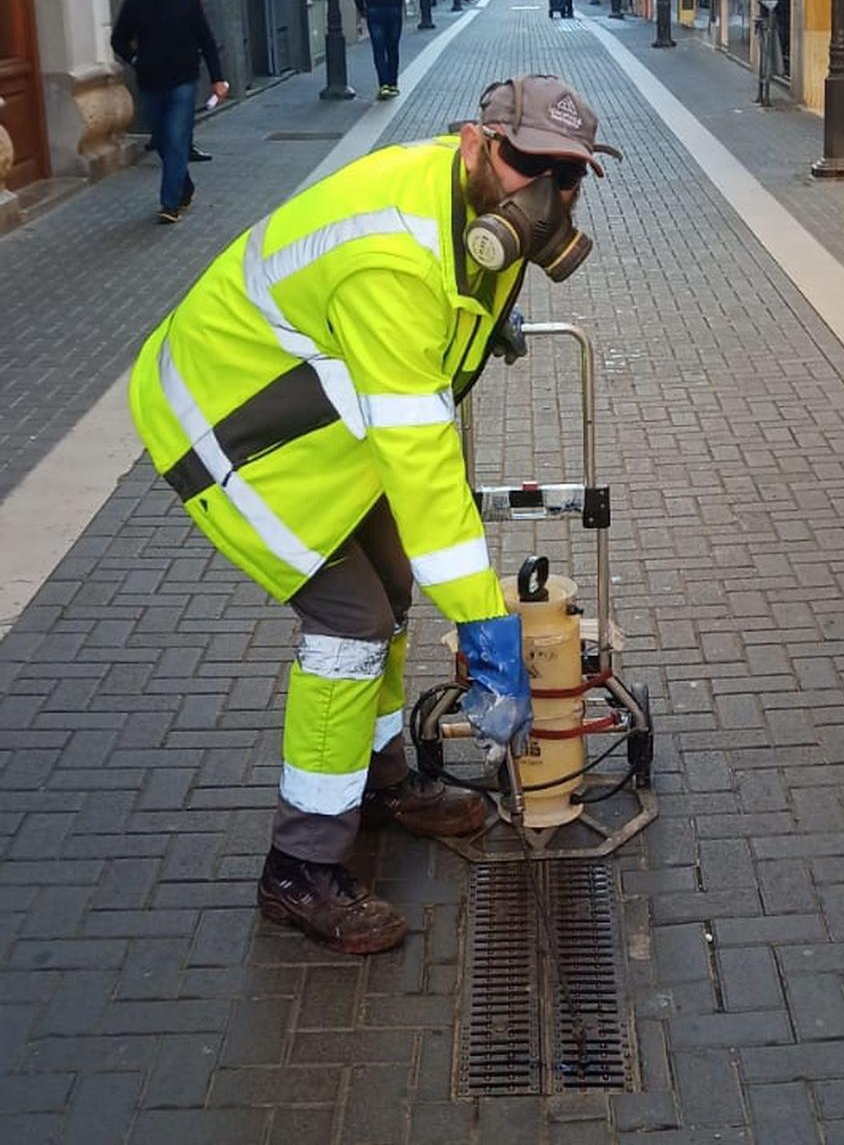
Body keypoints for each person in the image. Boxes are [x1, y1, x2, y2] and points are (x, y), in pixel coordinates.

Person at [127, 73, 623, 954]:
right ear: (478, 142)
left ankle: (380, 781)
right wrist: (483, 627)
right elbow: (424, 461)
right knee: (351, 622)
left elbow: (440, 333)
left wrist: (486, 324)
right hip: (226, 429)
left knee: (391, 582)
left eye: (566, 175)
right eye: (524, 165)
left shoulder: (459, 202)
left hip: (318, 426)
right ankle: (301, 865)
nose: (543, 196)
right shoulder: (394, 252)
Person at [111, 0, 228, 224]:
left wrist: (217, 79)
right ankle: (184, 186)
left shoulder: (186, 2)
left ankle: (169, 203)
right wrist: (136, 59)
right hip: (150, 84)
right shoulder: (134, 4)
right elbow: (118, 39)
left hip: (182, 82)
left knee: (176, 138)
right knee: (163, 142)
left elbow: (207, 42)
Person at [126, 0, 214, 163]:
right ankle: (183, 146)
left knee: (160, 101)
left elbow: (130, 5)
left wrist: (134, 54)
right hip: (178, 46)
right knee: (179, 106)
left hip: (150, 49)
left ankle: (163, 140)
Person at [353, 0, 416, 101]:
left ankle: (383, 85)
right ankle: (393, 84)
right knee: (392, 48)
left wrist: (362, 9)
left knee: (379, 49)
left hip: (374, 12)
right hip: (394, 11)